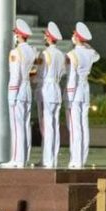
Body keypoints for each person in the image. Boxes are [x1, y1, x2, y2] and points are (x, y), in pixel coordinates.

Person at [65, 21, 99, 169]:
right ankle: (82, 158)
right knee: (84, 126)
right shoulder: (90, 53)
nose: (72, 36)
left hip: (75, 90)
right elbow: (97, 55)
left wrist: (69, 96)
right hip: (85, 89)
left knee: (75, 127)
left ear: (77, 37)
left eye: (74, 34)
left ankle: (76, 160)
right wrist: (86, 45)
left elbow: (72, 77)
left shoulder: (72, 54)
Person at [7, 18, 37, 168]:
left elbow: (14, 76)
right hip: (27, 89)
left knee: (16, 126)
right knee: (25, 125)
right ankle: (24, 157)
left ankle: (16, 160)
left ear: (18, 35)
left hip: (18, 90)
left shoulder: (15, 51)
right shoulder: (31, 51)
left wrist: (12, 95)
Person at [38, 21, 66, 168]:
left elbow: (40, 72)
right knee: (54, 125)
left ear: (48, 38)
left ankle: (47, 160)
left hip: (47, 89)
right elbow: (63, 72)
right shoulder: (61, 54)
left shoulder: (45, 53)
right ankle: (52, 158)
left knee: (47, 126)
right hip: (56, 88)